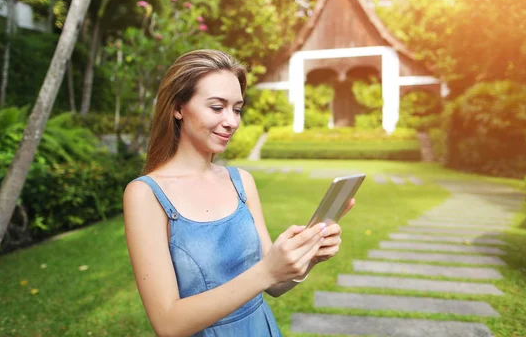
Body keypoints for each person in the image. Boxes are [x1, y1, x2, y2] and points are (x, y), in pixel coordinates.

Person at [123, 49, 354, 336]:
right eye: (217, 108)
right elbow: (167, 324)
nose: (232, 121)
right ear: (178, 108)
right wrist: (267, 270)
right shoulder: (145, 194)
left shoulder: (241, 182)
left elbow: (273, 285)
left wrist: (308, 257)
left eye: (237, 109)